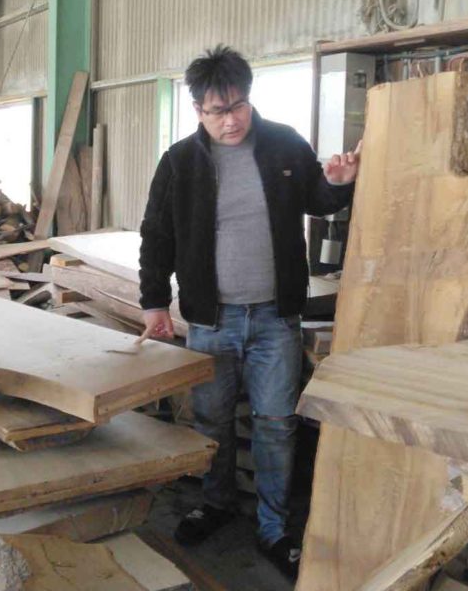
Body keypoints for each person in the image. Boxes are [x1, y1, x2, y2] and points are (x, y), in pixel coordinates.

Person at [139, 45, 360, 581]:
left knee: (277, 425)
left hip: (274, 319)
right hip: (211, 321)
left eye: (238, 105)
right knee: (211, 421)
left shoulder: (284, 143)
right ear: (198, 110)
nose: (231, 120)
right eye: (217, 111)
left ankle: (273, 527)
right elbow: (157, 236)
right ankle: (215, 504)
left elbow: (317, 199)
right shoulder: (180, 162)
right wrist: (154, 303)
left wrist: (337, 182)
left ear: (249, 99)